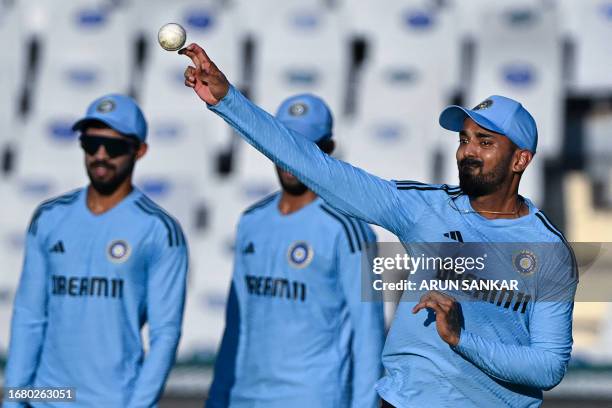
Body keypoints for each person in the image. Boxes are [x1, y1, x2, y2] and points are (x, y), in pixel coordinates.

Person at [179, 43, 578, 407]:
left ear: (520, 160)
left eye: (485, 142)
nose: (468, 152)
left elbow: (548, 367)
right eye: (464, 139)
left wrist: (461, 339)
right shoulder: (423, 209)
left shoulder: (550, 251)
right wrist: (228, 101)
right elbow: (316, 167)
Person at [4, 94, 188, 407]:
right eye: (91, 144)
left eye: (114, 147)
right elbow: (29, 317)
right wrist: (14, 400)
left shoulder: (158, 230)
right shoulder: (49, 218)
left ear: (139, 150)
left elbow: (165, 335)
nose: (100, 155)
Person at [207, 94, 385, 408]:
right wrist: (219, 395)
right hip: (245, 396)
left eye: (306, 146)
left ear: (327, 150)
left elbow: (368, 337)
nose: (292, 158)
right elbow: (237, 322)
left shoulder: (351, 230)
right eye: (285, 143)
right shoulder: (251, 221)